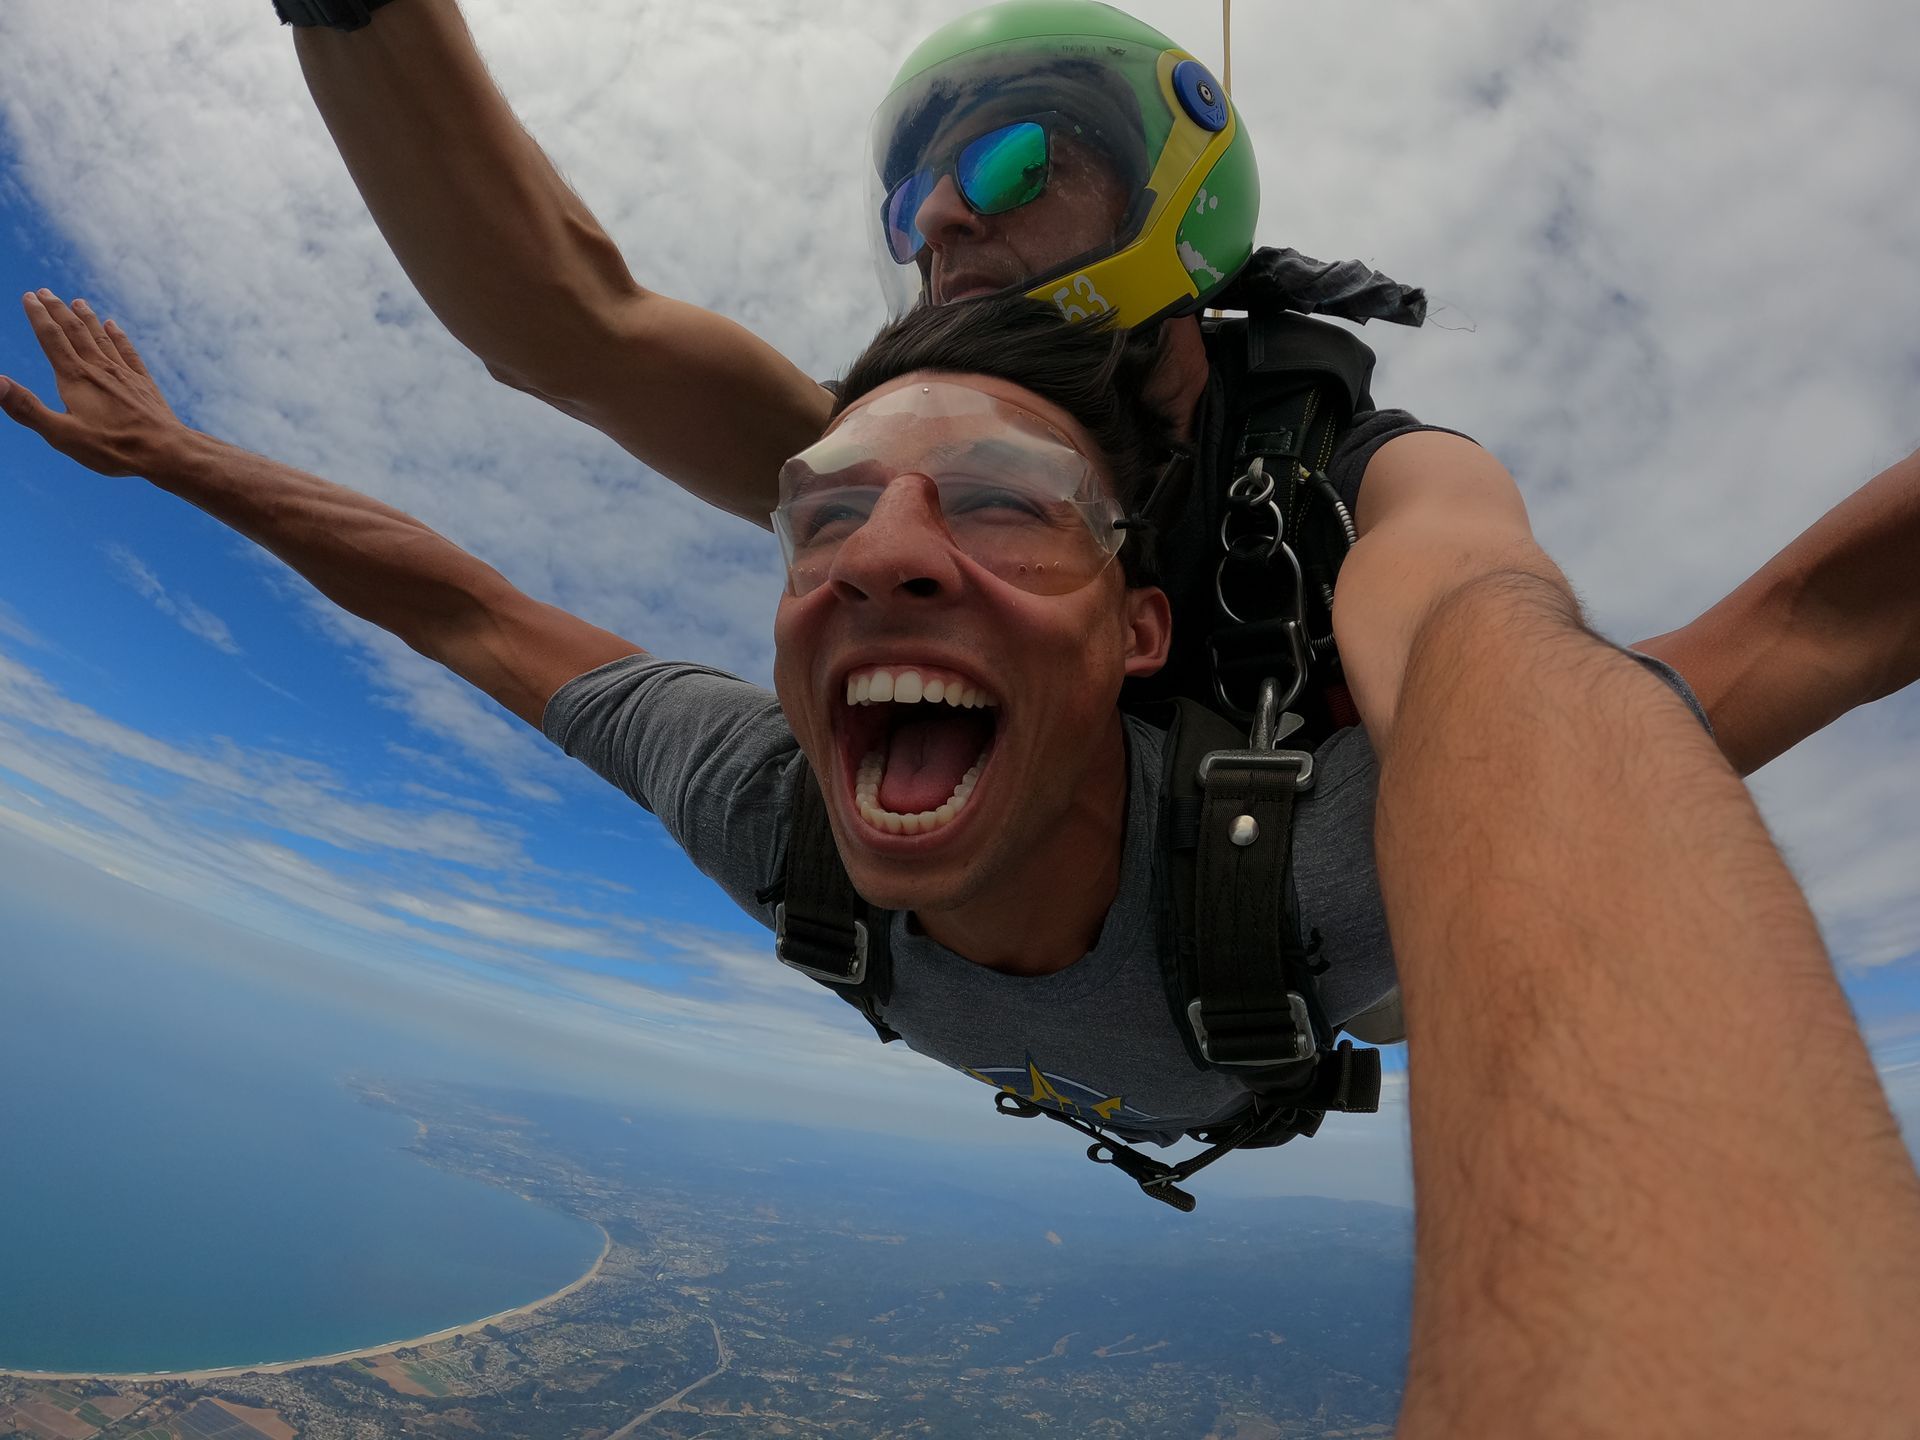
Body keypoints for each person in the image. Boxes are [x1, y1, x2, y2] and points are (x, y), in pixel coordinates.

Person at [5, 287, 1916, 1435]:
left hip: (1326, 973)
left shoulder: (1314, 864)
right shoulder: (766, 802)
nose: (888, 556)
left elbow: (1815, 621)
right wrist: (174, 457)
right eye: (827, 516)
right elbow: (469, 606)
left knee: (1453, 891)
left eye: (1004, 510)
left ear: (1141, 634)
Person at [276, 0, 1920, 779]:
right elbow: (566, 322)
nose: (938, 215)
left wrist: (1523, 779)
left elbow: (1477, 620)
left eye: (1008, 158)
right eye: (911, 187)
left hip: (1332, 902)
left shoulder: (1349, 475)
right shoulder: (886, 457)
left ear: (1173, 196)